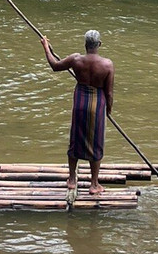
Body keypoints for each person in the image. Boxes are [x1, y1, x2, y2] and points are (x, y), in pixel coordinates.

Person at [40, 30, 114, 195]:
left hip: (80, 103)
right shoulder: (107, 65)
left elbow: (54, 65)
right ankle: (94, 184)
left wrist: (45, 48)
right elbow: (109, 93)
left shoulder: (76, 59)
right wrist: (108, 110)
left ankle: (72, 179)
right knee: (96, 143)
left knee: (76, 139)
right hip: (97, 105)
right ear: (99, 45)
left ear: (85, 45)